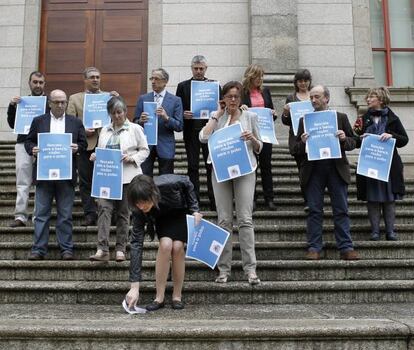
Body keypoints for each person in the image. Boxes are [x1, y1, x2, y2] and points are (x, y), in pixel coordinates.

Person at [199, 81, 262, 285]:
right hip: (220, 172)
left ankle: (250, 270)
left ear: (240, 98)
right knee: (224, 221)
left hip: (245, 170)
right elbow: (202, 137)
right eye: (229, 96)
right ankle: (224, 269)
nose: (232, 100)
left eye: (236, 96)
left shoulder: (250, 116)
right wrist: (217, 113)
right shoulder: (218, 118)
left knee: (245, 219)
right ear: (223, 99)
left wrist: (251, 138)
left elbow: (260, 147)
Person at [294, 85, 358, 261]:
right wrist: (303, 142)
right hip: (314, 171)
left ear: (326, 99)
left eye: (317, 97)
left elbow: (354, 143)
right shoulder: (304, 121)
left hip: (336, 169)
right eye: (311, 98)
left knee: (341, 209)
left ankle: (346, 247)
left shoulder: (340, 118)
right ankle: (314, 247)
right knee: (314, 210)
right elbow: (295, 149)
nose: (313, 100)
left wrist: (345, 139)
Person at [24, 89, 87, 260]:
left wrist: (77, 148)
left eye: (63, 102)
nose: (60, 105)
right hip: (44, 175)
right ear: (50, 103)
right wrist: (32, 149)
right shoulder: (38, 121)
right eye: (56, 102)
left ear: (67, 103)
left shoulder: (75, 122)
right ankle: (38, 249)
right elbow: (28, 141)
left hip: (66, 175)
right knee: (41, 214)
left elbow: (83, 142)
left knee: (65, 215)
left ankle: (66, 249)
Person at [125, 174, 202, 311]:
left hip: (179, 211)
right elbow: (136, 243)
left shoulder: (168, 184)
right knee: (166, 244)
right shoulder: (139, 209)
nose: (141, 206)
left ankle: (177, 296)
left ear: (152, 194)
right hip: (161, 216)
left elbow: (187, 181)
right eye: (137, 203)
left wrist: (194, 209)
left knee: (178, 246)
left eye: (143, 201)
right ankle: (159, 298)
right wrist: (134, 287)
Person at [89, 96, 149, 262]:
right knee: (103, 209)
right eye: (113, 113)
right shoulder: (104, 130)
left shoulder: (135, 128)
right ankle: (102, 249)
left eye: (119, 112)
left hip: (127, 177)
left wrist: (132, 158)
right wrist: (95, 156)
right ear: (109, 114)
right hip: (106, 178)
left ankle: (120, 248)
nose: (117, 116)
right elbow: (101, 151)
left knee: (123, 212)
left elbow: (145, 150)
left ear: (125, 112)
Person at [354, 87, 409, 241]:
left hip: (388, 166)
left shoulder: (393, 117)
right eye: (368, 97)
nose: (368, 99)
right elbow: (354, 141)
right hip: (369, 164)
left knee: (389, 198)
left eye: (372, 97)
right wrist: (361, 138)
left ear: (381, 99)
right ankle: (375, 231)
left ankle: (390, 231)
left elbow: (404, 140)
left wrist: (391, 135)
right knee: (372, 198)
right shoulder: (362, 118)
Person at [67, 67, 119, 226]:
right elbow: (69, 122)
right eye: (92, 77)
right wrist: (82, 131)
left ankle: (112, 214)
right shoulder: (75, 98)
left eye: (97, 77)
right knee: (85, 181)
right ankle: (90, 214)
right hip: (85, 145)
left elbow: (119, 117)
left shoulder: (108, 97)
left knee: (109, 178)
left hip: (107, 145)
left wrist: (118, 100)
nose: (95, 79)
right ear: (85, 80)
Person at [176, 55, 219, 210]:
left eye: (201, 68)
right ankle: (195, 202)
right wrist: (183, 114)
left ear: (206, 69)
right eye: (196, 68)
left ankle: (215, 201)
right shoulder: (182, 86)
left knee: (211, 166)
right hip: (191, 132)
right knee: (193, 166)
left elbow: (221, 107)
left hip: (210, 132)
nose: (199, 71)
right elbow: (177, 107)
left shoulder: (214, 86)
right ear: (191, 68)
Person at [7, 71, 48, 227]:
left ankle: (39, 215)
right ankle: (20, 216)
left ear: (44, 84)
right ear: (29, 83)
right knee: (22, 181)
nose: (38, 85)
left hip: (43, 145)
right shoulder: (21, 102)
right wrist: (12, 106)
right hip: (23, 144)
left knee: (41, 182)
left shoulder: (49, 102)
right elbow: (12, 124)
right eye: (35, 82)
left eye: (41, 82)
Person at [241, 64, 278, 210]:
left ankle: (269, 198)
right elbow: (237, 114)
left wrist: (273, 114)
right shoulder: (242, 92)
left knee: (266, 166)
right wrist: (241, 108)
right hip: (249, 136)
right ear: (251, 76)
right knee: (251, 167)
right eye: (258, 76)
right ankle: (252, 198)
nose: (260, 79)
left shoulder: (265, 91)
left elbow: (271, 112)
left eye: (262, 76)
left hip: (265, 135)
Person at [134, 68, 183, 176]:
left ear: (165, 81)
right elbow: (135, 122)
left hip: (166, 145)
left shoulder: (176, 100)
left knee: (166, 180)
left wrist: (167, 118)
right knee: (144, 178)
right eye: (152, 78)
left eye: (156, 78)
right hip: (146, 145)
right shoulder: (143, 98)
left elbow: (179, 126)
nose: (153, 81)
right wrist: (140, 121)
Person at [281, 69, 312, 210]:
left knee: (315, 171)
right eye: (300, 81)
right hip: (298, 140)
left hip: (314, 138)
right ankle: (307, 200)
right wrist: (286, 113)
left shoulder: (314, 96)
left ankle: (315, 199)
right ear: (296, 83)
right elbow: (286, 122)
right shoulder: (291, 98)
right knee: (302, 171)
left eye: (305, 80)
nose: (303, 83)